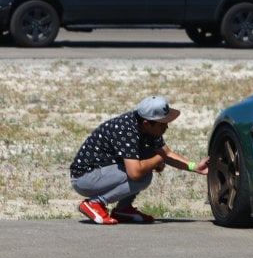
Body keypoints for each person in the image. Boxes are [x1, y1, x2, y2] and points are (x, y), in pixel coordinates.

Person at [70, 95, 210, 224]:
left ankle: (123, 210)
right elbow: (135, 173)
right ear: (147, 123)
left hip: (102, 173)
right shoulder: (126, 130)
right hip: (84, 178)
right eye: (162, 123)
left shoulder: (147, 127)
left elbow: (167, 153)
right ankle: (94, 203)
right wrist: (157, 160)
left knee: (147, 160)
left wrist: (194, 167)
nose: (166, 126)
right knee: (143, 174)